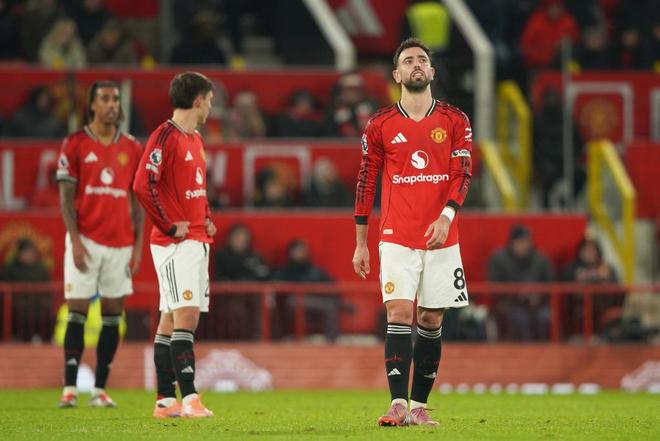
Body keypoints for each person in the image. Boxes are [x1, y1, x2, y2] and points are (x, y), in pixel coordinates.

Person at [352, 38, 473, 427]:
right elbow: (366, 181)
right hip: (396, 235)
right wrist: (361, 243)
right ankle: (397, 404)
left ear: (432, 72)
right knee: (400, 311)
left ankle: (419, 406)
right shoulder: (380, 124)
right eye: (408, 61)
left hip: (442, 237)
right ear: (397, 74)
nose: (416, 64)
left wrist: (447, 217)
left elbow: (462, 174)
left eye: (422, 60)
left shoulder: (455, 120)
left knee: (431, 319)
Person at [133, 72, 217, 418]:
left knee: (170, 318)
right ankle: (191, 398)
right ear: (197, 100)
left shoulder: (195, 138)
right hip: (175, 243)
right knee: (187, 315)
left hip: (197, 238)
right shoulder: (164, 136)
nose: (210, 107)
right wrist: (168, 224)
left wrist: (207, 215)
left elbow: (197, 187)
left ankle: (166, 400)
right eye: (209, 100)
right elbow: (142, 184)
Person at [56, 81, 144, 408]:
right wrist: (76, 242)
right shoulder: (75, 144)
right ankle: (69, 388)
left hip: (121, 243)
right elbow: (65, 200)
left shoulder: (132, 147)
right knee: (77, 309)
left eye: (115, 99)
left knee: (112, 313)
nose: (112, 105)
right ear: (92, 105)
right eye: (105, 99)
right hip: (86, 240)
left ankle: (100, 390)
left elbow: (138, 203)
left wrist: (137, 248)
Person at [487, 224, 554, 341]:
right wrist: (518, 294)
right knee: (520, 318)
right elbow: (494, 286)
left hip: (538, 304)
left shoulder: (541, 259)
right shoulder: (499, 259)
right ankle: (527, 350)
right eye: (520, 241)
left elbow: (551, 283)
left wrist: (539, 296)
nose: (524, 245)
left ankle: (543, 348)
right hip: (511, 304)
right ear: (512, 242)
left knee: (545, 316)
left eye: (527, 241)